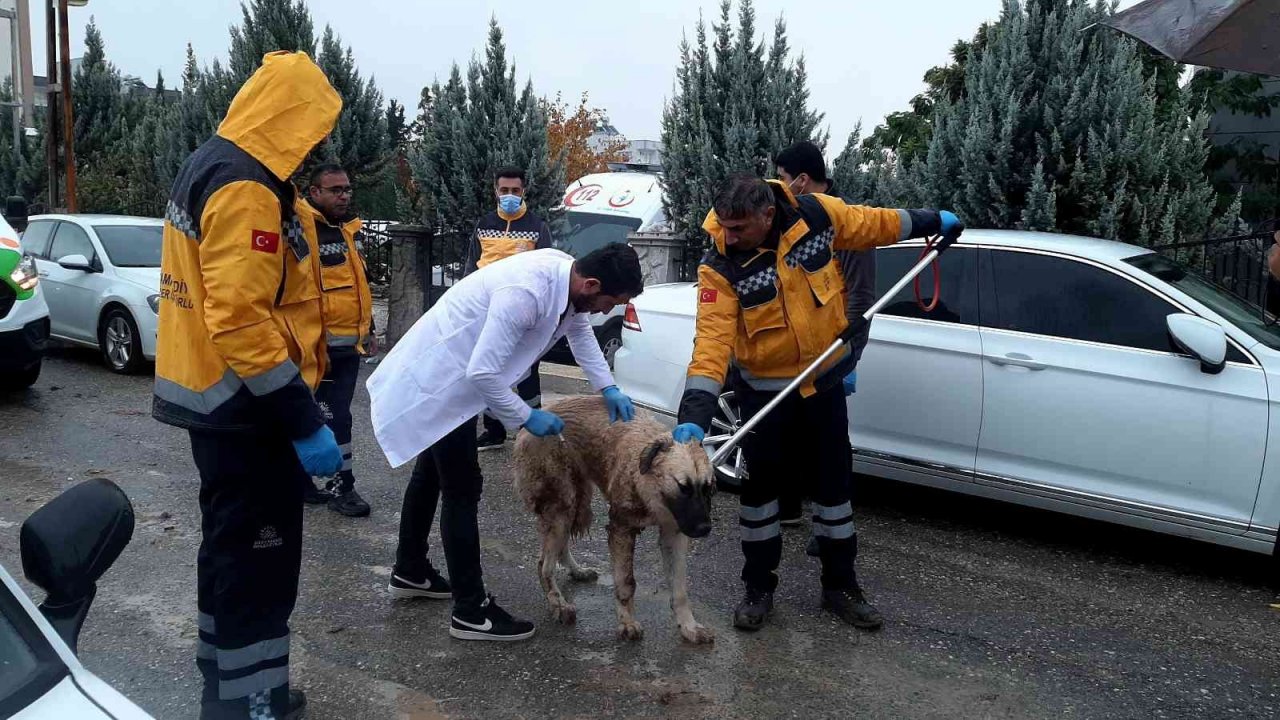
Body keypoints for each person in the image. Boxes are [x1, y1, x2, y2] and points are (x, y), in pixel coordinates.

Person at [672, 174, 963, 632]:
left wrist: (931, 221)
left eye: (739, 228)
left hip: (823, 384)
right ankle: (758, 587)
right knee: (761, 494)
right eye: (725, 227)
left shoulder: (818, 215)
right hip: (765, 392)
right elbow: (711, 342)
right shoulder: (719, 265)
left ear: (768, 215)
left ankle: (840, 586)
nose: (729, 236)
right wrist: (694, 416)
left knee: (834, 489)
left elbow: (875, 225)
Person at [152, 51, 342, 720]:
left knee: (229, 558)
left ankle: (230, 688)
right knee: (259, 569)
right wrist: (302, 419)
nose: (316, 142)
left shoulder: (219, 162)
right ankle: (249, 703)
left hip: (224, 405)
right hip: (247, 410)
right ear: (289, 116)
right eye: (313, 126)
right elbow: (238, 318)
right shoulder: (245, 186)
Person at [368, 242, 644, 641]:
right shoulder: (527, 293)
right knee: (462, 488)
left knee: (430, 475)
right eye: (608, 303)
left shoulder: (568, 280)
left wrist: (608, 387)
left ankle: (409, 570)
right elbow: (482, 373)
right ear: (592, 284)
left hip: (453, 383)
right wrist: (526, 417)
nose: (605, 312)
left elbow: (580, 336)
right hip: (443, 384)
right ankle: (470, 611)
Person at [774, 141, 876, 534]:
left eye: (783, 179)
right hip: (796, 352)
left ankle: (829, 527)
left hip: (833, 353)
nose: (780, 186)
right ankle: (788, 508)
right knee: (789, 433)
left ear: (801, 180)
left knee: (828, 444)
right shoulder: (791, 220)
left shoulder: (843, 223)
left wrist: (847, 355)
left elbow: (862, 297)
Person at [297, 162, 375, 518]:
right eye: (335, 190)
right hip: (320, 349)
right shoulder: (304, 232)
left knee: (318, 414)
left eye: (347, 189)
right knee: (335, 418)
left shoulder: (345, 230)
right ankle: (342, 485)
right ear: (314, 193)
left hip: (346, 347)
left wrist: (369, 329)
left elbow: (355, 287)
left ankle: (299, 479)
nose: (344, 195)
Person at [463, 166, 556, 452]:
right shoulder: (484, 224)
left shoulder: (538, 227)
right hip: (487, 310)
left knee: (527, 371)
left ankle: (535, 433)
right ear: (495, 191)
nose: (510, 196)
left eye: (515, 191)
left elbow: (548, 271)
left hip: (524, 314)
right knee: (492, 370)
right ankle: (494, 430)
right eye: (504, 191)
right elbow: (471, 266)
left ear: (523, 191)